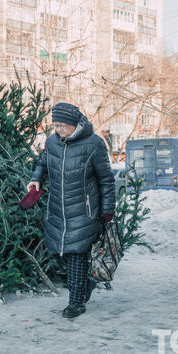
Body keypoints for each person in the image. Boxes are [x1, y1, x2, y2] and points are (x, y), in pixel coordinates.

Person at [27, 102, 116, 318]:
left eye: (62, 125)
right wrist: (36, 179)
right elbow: (44, 163)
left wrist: (107, 211)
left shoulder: (94, 144)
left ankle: (76, 303)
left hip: (85, 210)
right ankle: (86, 284)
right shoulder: (52, 142)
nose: (58, 129)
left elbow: (106, 180)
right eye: (55, 125)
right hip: (58, 208)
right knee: (64, 253)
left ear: (74, 124)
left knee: (75, 255)